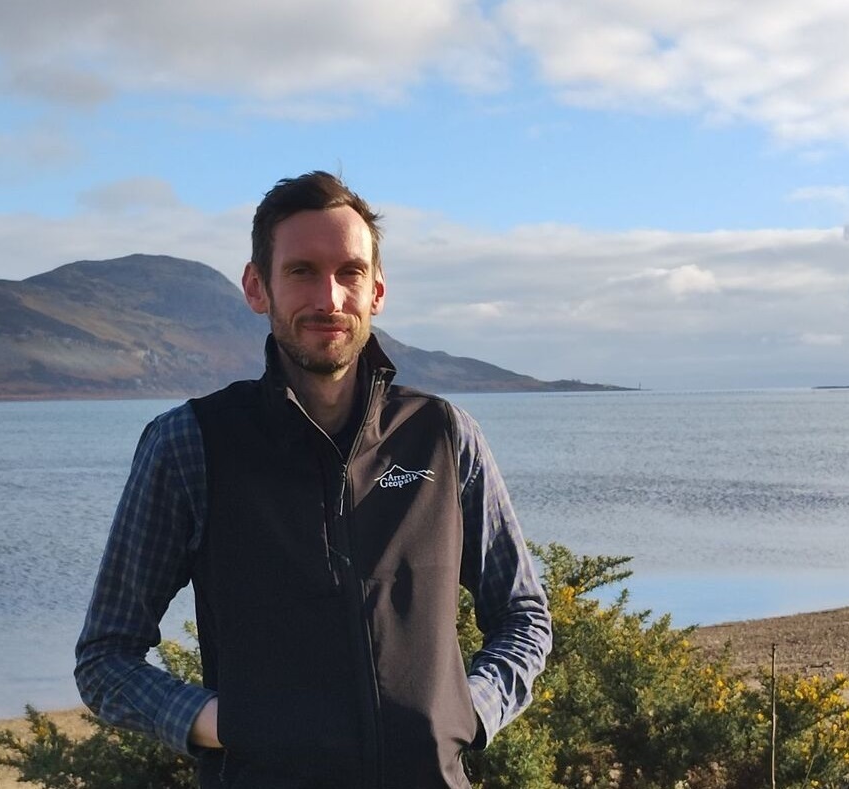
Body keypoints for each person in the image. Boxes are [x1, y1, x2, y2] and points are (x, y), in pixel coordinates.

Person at [75, 171, 552, 788]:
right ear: (257, 287)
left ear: (376, 291)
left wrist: (469, 712)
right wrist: (227, 723)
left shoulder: (442, 434)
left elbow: (523, 615)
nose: (329, 298)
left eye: (349, 272)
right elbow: (105, 658)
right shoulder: (191, 443)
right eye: (301, 270)